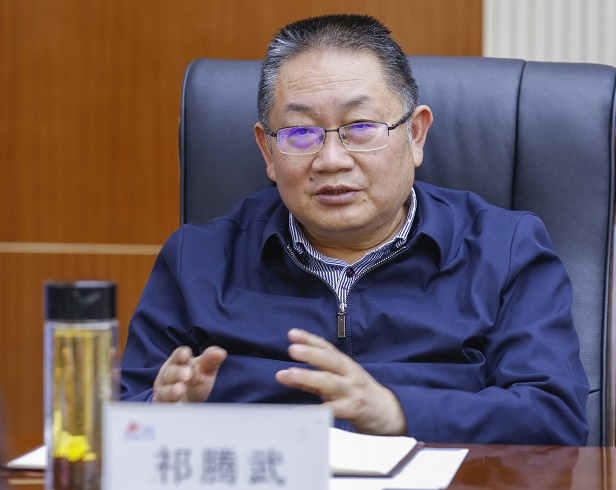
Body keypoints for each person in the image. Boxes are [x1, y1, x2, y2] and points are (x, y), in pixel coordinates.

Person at [120, 14, 589, 445]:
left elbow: (554, 418)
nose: (331, 160)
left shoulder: (504, 249)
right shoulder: (197, 260)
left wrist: (396, 411)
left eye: (361, 127)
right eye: (300, 133)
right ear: (268, 151)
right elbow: (125, 422)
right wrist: (161, 414)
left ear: (415, 134)